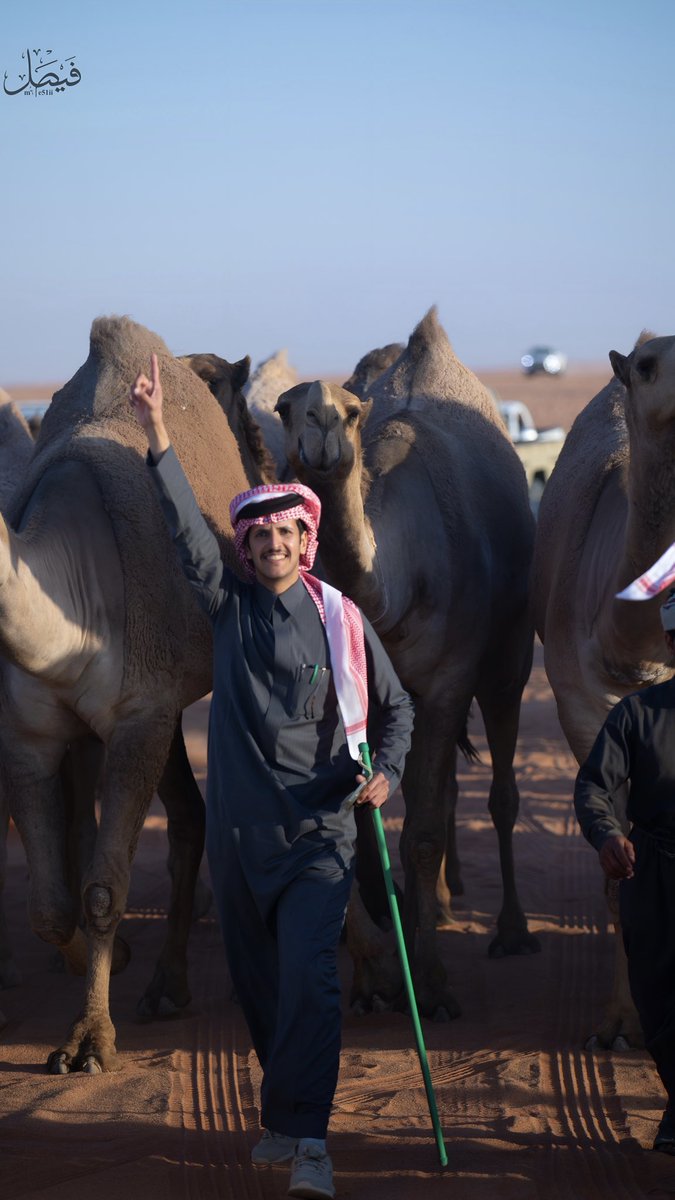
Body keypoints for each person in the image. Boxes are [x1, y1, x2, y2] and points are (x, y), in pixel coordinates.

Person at [130, 354, 414, 1199]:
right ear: (247, 548)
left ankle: (311, 1143)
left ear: (306, 539)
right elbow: (187, 529)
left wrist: (387, 774)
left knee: (309, 984)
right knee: (259, 993)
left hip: (319, 835)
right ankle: (285, 1117)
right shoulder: (228, 606)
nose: (273, 544)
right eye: (259, 536)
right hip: (238, 839)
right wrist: (157, 436)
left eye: (286, 533)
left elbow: (395, 711)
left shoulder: (341, 619)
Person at [574, 589, 675, 1155]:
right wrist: (607, 833)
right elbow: (594, 785)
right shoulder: (636, 714)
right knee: (657, 1000)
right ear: (669, 643)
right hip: (654, 872)